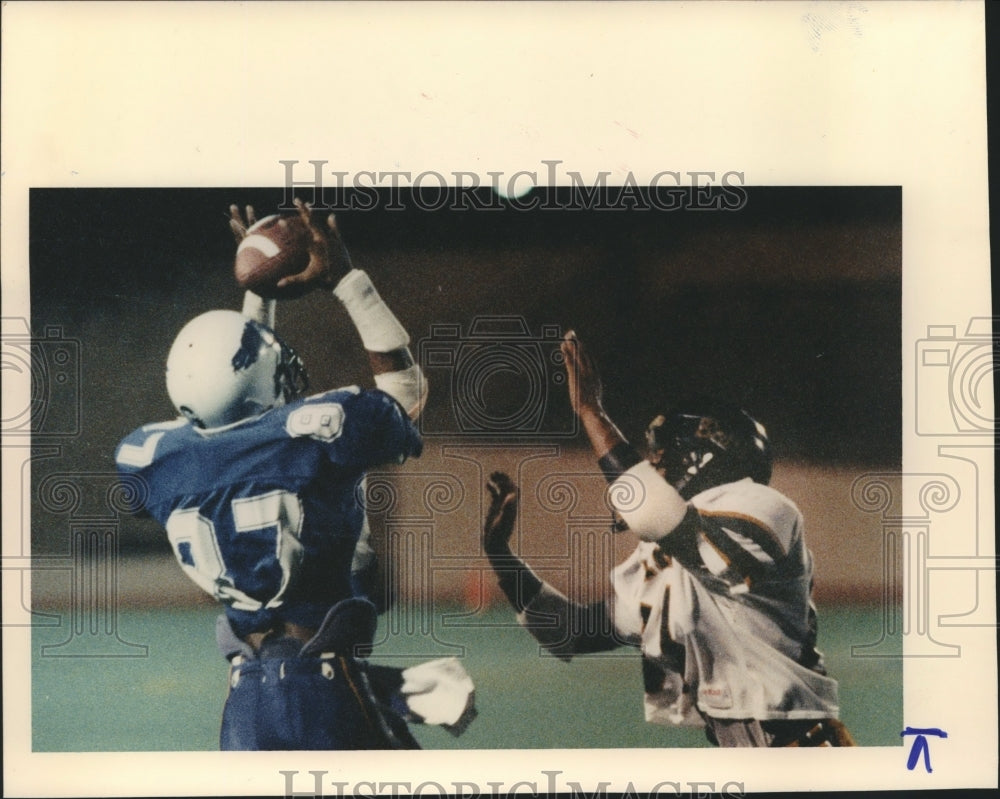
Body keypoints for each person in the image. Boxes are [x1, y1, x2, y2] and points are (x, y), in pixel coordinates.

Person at [115, 200, 473, 750]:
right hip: (323, 685)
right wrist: (347, 278)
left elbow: (237, 418)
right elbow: (407, 394)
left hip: (245, 702)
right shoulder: (317, 433)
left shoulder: (152, 458)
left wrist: (260, 291)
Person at [482, 330, 854, 748]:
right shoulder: (672, 556)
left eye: (663, 455)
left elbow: (651, 511)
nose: (652, 465)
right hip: (744, 745)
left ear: (704, 457)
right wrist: (500, 555)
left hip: (797, 745)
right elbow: (569, 631)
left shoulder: (763, 506)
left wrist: (590, 412)